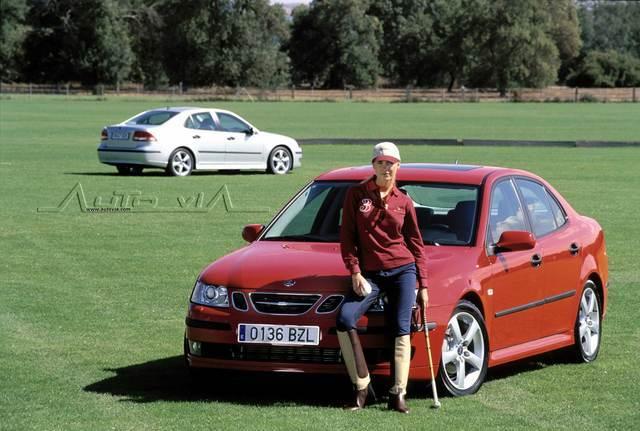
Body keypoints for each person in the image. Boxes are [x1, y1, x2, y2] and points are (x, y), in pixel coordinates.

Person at [336, 142, 428, 413]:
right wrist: (354, 271)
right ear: (373, 165)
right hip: (370, 275)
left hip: (403, 270)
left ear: (398, 166)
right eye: (380, 162)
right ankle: (361, 387)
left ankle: (397, 394)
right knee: (344, 319)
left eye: (391, 163)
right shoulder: (356, 195)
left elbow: (416, 244)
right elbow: (347, 238)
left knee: (401, 328)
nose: (385, 167)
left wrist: (424, 284)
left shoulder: (404, 201)